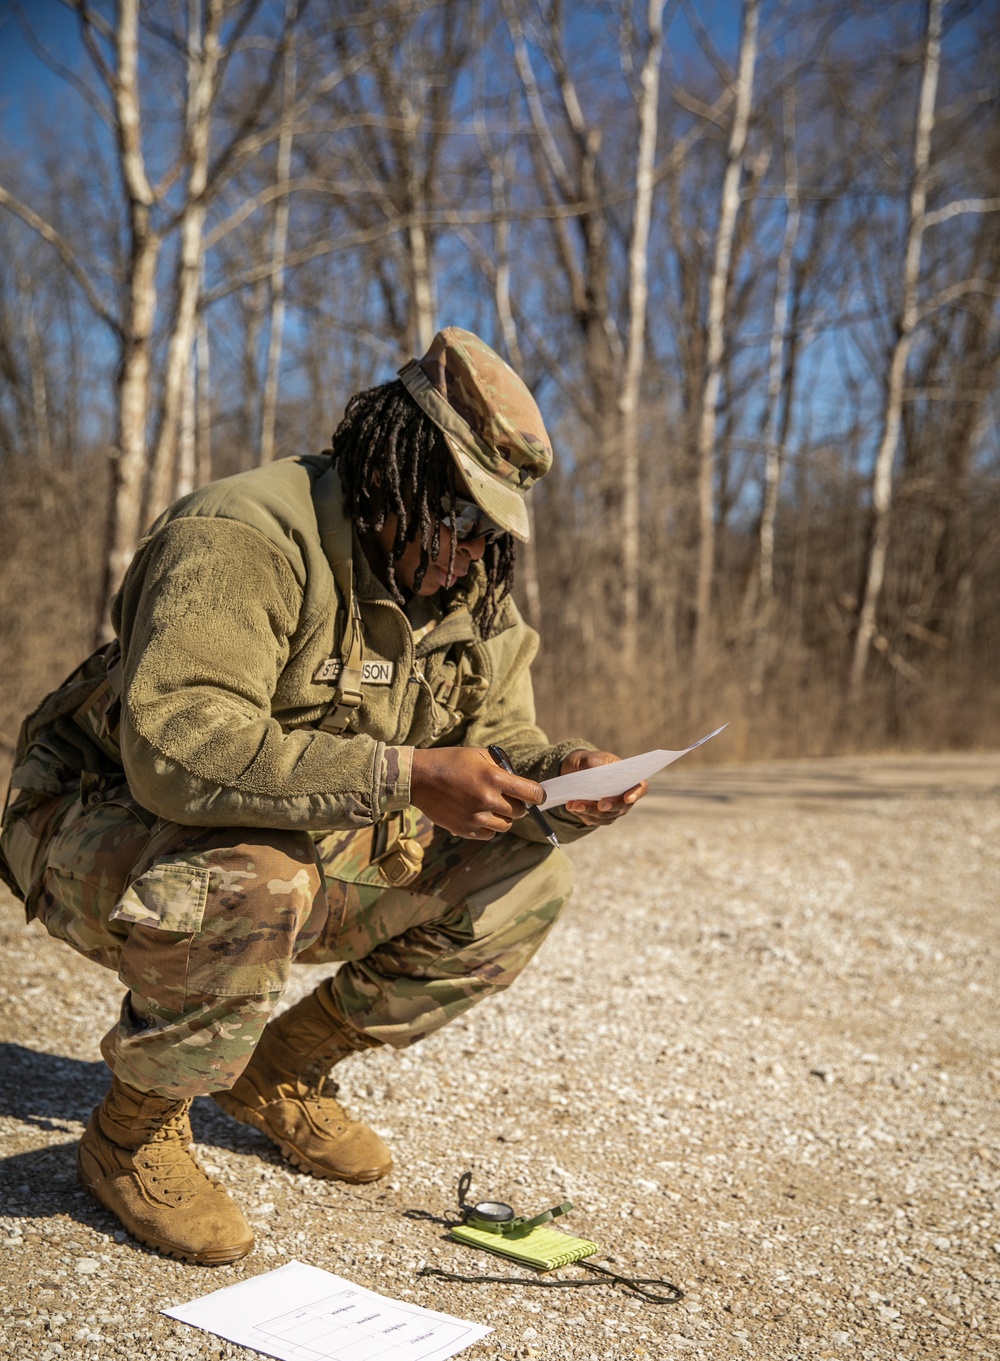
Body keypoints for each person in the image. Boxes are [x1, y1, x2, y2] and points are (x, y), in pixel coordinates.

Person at [0, 328, 646, 1265]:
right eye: (458, 517)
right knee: (256, 876)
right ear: (399, 469)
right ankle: (133, 1132)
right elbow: (180, 749)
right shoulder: (246, 534)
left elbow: (499, 735)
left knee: (524, 878)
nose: (471, 551)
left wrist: (562, 773)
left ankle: (277, 1069)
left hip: (281, 831)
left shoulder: (467, 589)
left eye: (490, 531)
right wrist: (406, 777)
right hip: (92, 818)